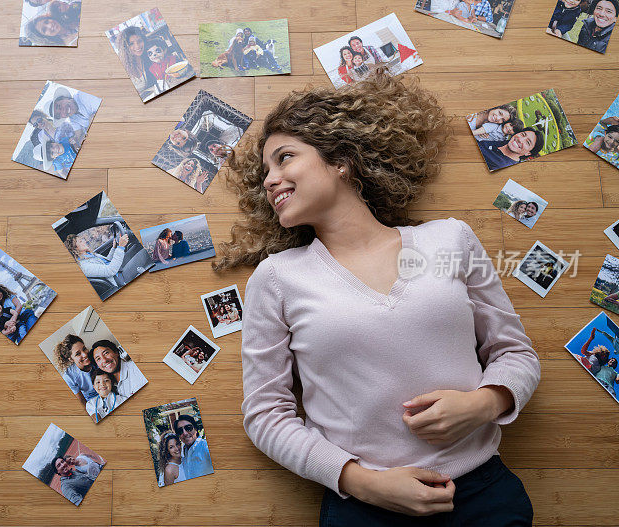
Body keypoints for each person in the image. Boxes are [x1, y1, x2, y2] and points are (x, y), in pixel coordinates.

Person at [215, 72, 539, 523]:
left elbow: (515, 353)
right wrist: (359, 481)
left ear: (341, 160)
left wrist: (484, 404)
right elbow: (265, 415)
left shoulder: (450, 240)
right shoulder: (276, 279)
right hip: (364, 509)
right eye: (265, 172)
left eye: (284, 159)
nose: (271, 180)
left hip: (483, 497)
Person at [54, 334, 98, 412]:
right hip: (92, 401)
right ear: (71, 359)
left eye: (84, 349)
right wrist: (92, 414)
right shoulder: (69, 376)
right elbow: (81, 401)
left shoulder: (96, 357)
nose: (85, 354)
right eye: (78, 354)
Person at [64, 230, 129, 280]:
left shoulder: (88, 255)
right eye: (80, 241)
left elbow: (107, 261)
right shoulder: (84, 267)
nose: (84, 241)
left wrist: (114, 247)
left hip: (118, 271)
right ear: (75, 248)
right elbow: (110, 270)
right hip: (118, 279)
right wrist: (120, 247)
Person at [476, 128, 544, 170]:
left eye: (528, 142)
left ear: (528, 153)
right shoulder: (506, 143)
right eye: (523, 134)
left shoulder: (500, 164)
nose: (520, 139)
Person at [116, 26, 154, 93]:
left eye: (139, 41)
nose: (137, 46)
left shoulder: (150, 58)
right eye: (131, 44)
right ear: (125, 47)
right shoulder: (121, 66)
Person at [176, 414, 214, 480]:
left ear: (196, 429)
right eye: (180, 431)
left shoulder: (205, 447)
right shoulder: (182, 452)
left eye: (188, 428)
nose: (185, 433)